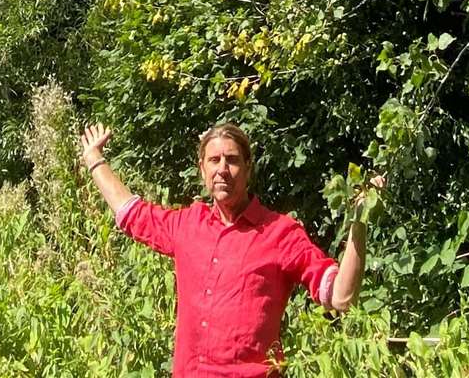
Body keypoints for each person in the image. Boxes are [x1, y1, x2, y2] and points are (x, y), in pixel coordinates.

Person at [79, 121, 378, 377]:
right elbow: (132, 214)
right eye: (214, 160)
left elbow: (340, 297)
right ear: (202, 169)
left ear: (248, 168)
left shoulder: (280, 233)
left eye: (232, 160)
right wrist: (94, 160)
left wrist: (359, 221)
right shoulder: (187, 225)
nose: (223, 169)